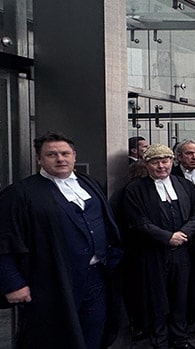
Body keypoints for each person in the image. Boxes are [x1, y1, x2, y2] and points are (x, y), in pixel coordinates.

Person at [0, 132, 122, 349]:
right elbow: (4, 240)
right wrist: (13, 283)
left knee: (94, 330)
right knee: (55, 338)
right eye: (51, 154)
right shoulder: (20, 193)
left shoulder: (89, 184)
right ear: (39, 159)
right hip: (52, 282)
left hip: (96, 278)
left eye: (65, 153)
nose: (60, 159)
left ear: (74, 156)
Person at [123, 144, 195, 349]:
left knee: (180, 297)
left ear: (172, 161)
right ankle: (160, 340)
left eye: (165, 161)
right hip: (154, 253)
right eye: (155, 162)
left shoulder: (184, 185)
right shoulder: (135, 189)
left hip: (183, 251)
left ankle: (180, 338)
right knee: (157, 298)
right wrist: (167, 237)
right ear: (146, 164)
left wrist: (183, 234)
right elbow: (138, 221)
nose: (161, 166)